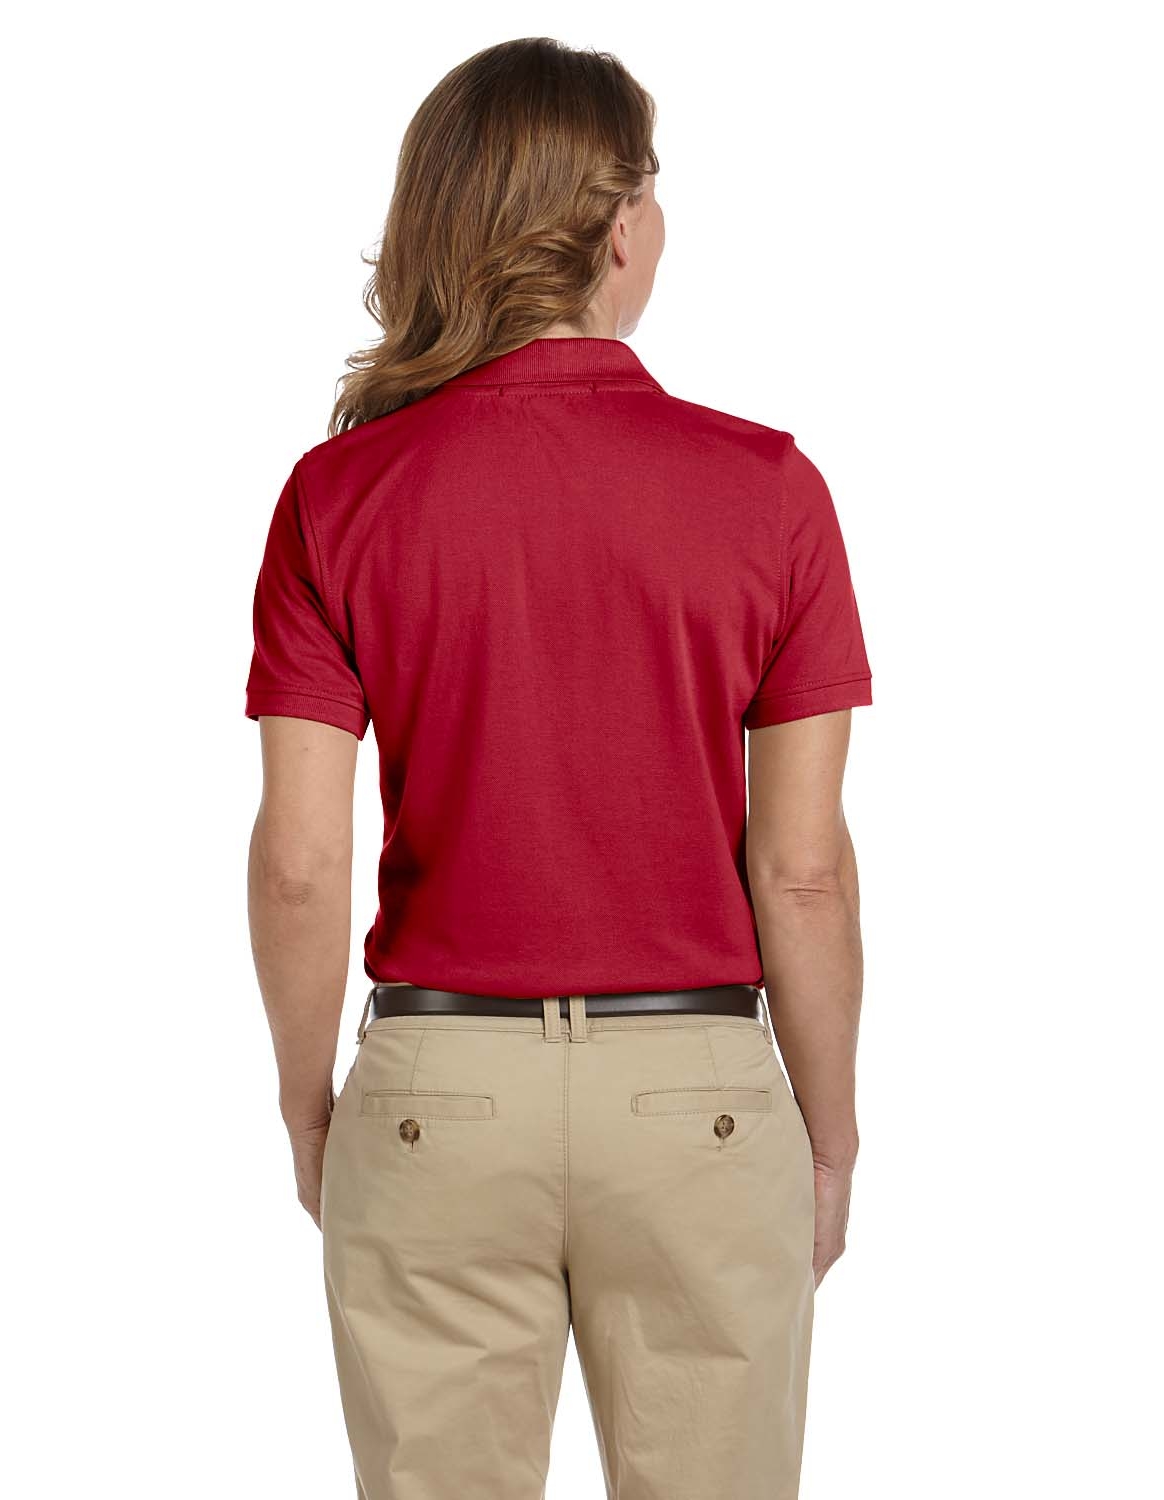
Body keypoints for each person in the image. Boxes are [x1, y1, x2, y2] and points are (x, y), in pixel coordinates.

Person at [245, 35, 872, 1500]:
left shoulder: (338, 497)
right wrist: (829, 1138)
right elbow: (801, 870)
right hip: (699, 1093)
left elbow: (301, 861)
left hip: (435, 1092)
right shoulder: (769, 491)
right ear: (623, 226)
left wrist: (310, 1106)